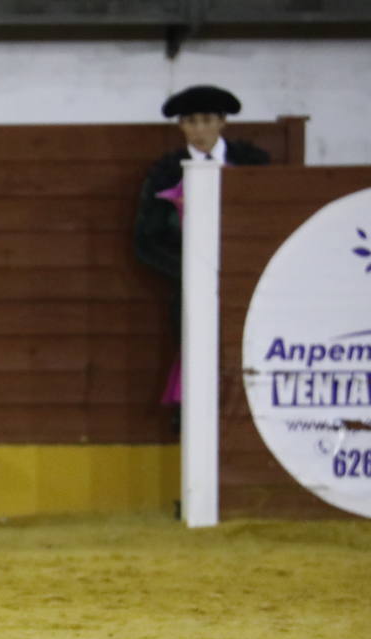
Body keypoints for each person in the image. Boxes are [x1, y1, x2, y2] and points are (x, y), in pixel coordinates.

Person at [134, 85, 269, 409]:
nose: (199, 130)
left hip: (248, 282)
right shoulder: (165, 173)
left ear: (222, 121)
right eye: (191, 121)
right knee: (195, 355)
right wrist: (192, 275)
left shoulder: (255, 166)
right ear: (181, 126)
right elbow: (146, 240)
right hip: (189, 288)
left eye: (206, 120)